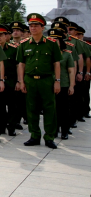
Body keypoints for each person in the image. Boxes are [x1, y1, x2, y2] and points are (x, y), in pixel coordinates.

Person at [16, 13, 63, 149]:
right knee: (31, 109)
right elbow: (21, 65)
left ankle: (49, 137)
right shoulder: (24, 44)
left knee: (49, 109)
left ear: (43, 27)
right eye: (31, 26)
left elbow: (56, 63)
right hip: (30, 80)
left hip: (47, 80)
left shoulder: (51, 44)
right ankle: (34, 135)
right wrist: (21, 81)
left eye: (36, 25)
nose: (33, 28)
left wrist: (57, 81)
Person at [48, 29, 76, 140]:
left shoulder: (67, 54)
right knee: (52, 109)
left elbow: (71, 71)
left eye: (56, 40)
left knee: (63, 109)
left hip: (63, 84)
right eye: (52, 40)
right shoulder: (47, 54)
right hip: (49, 84)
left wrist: (72, 86)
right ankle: (53, 130)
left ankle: (64, 131)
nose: (54, 42)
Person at [0, 24, 20, 136]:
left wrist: (19, 81)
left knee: (12, 106)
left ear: (6, 36)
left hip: (11, 81)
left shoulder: (13, 49)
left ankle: (11, 127)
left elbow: (18, 66)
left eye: (1, 35)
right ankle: (1, 126)